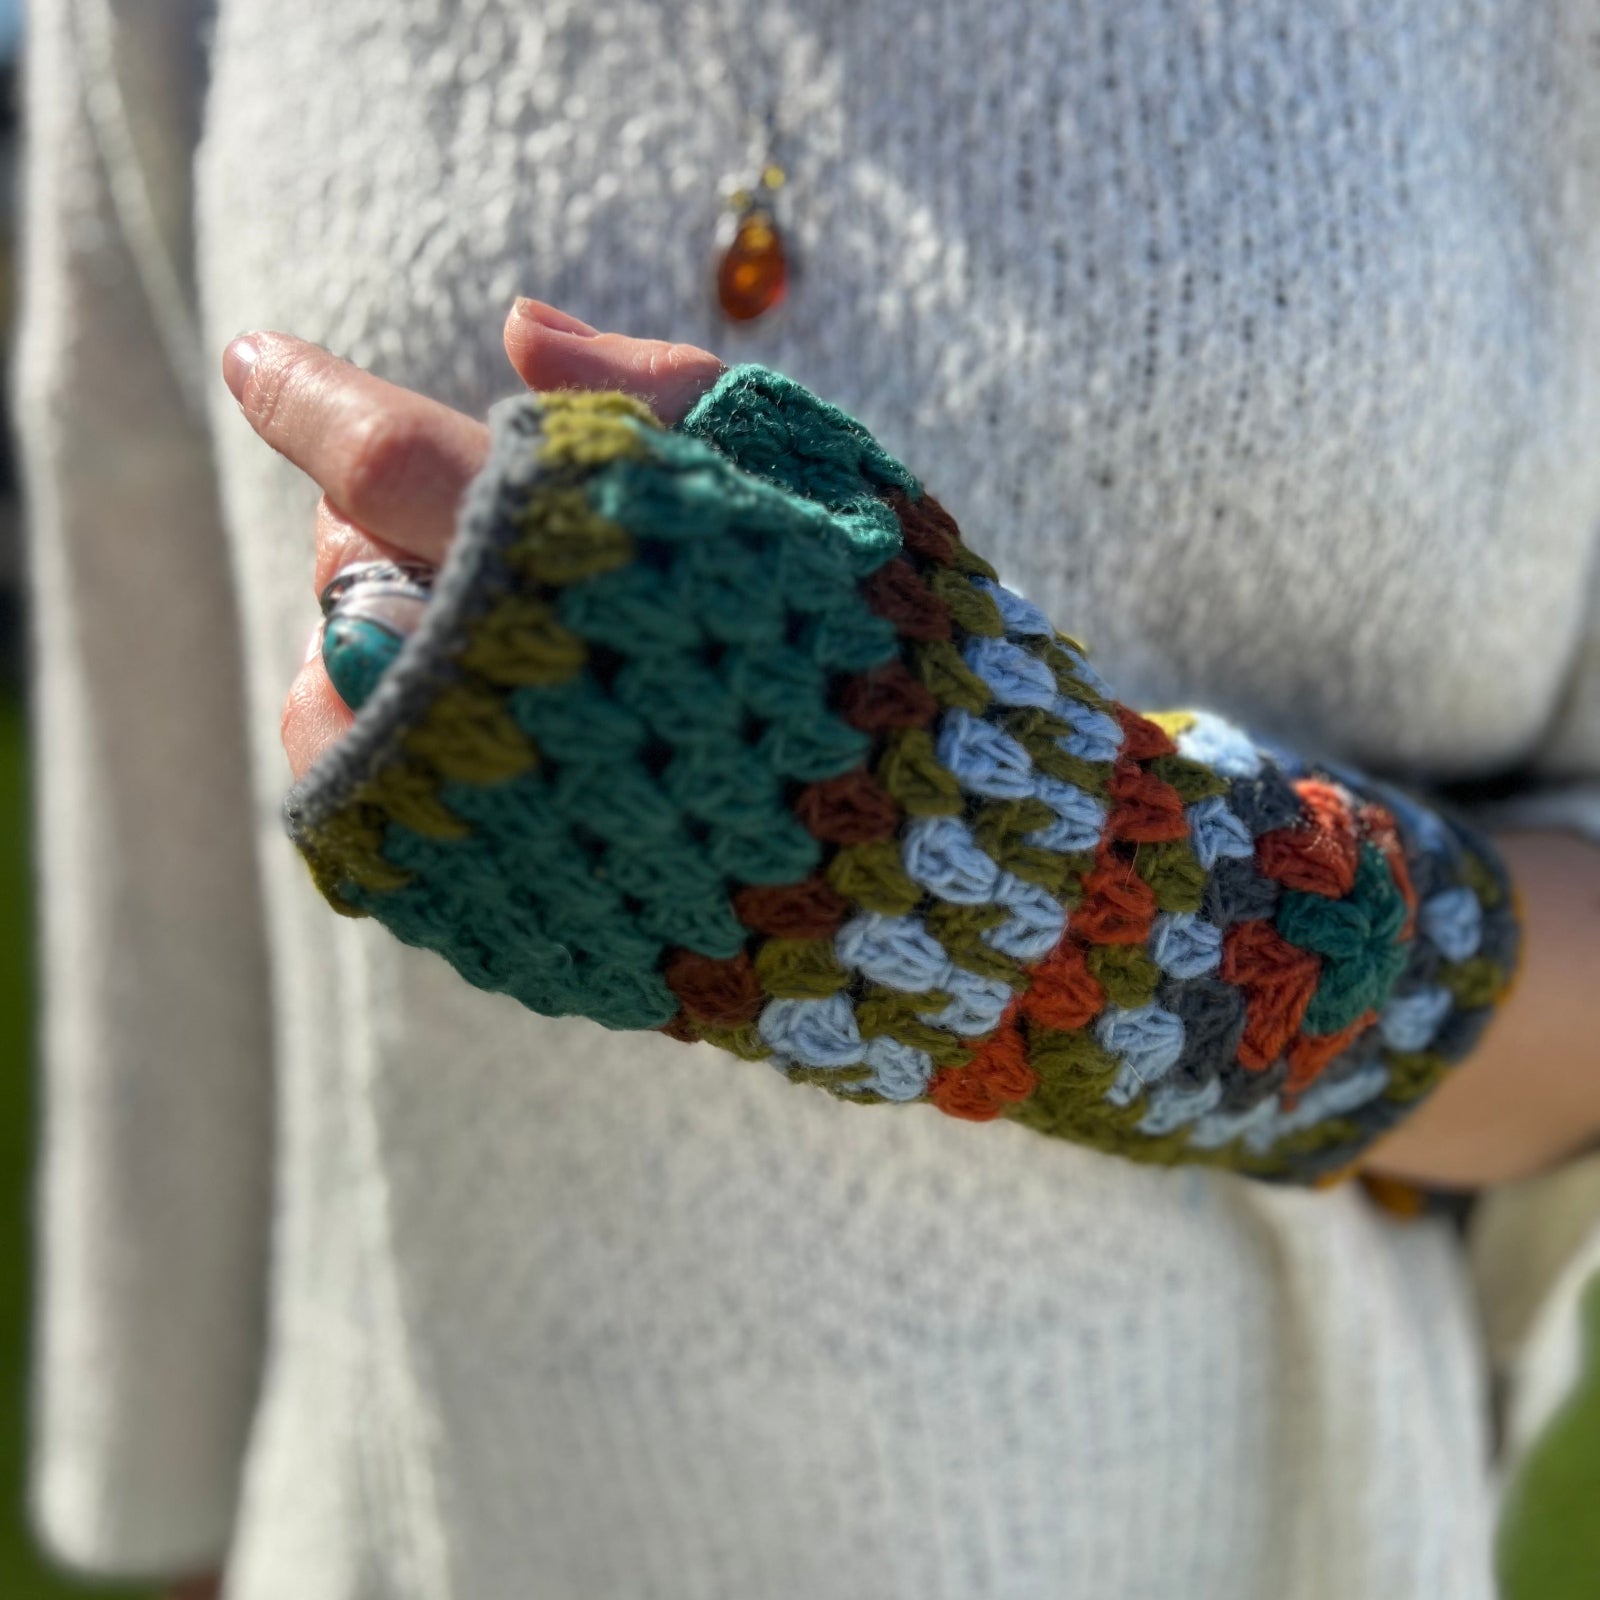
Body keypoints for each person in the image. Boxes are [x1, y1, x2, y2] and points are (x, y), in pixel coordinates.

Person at [17, 2, 1600, 1596]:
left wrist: (1053, 891)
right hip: (435, 1505)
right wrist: (179, 1520)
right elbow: (160, 850)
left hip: (1227, 1520)